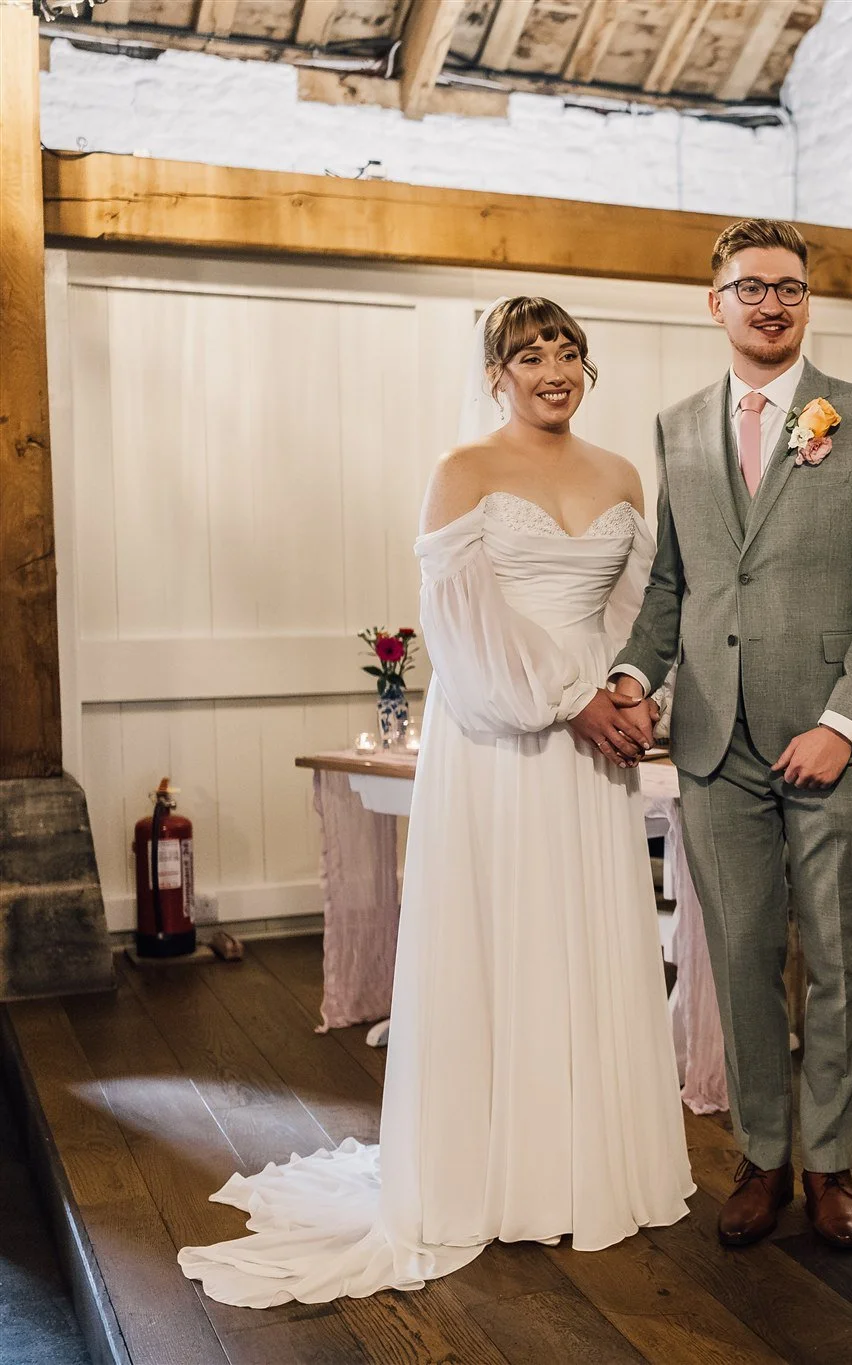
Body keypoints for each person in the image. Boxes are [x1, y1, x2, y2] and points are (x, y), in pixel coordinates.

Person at [178, 297, 694, 1307]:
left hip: (594, 746)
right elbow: (460, 624)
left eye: (568, 352)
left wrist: (634, 694)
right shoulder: (463, 471)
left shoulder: (621, 474)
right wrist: (571, 700)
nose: (554, 370)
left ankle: (588, 1162)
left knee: (585, 933)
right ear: (496, 373)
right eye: (530, 355)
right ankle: (489, 1170)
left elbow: (640, 612)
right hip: (502, 736)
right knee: (505, 935)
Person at [608, 220, 852, 1252]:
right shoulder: (677, 428)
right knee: (740, 956)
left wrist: (842, 721)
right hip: (714, 741)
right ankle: (763, 1156)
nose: (771, 303)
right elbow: (673, 584)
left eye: (788, 287)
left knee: (835, 959)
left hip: (830, 741)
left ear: (807, 301)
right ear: (716, 303)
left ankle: (831, 1164)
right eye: (750, 287)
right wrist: (630, 676)